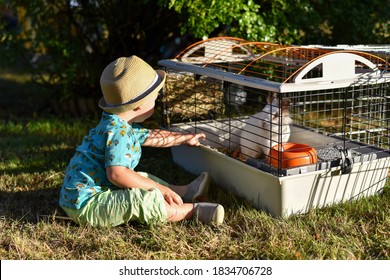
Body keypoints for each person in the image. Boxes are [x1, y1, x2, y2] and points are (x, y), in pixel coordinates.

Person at [59, 55, 225, 227]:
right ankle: (191, 211)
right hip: (88, 205)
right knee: (138, 201)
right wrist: (159, 189)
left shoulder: (117, 123)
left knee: (142, 178)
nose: (157, 101)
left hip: (85, 195)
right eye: (154, 98)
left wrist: (183, 138)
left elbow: (152, 137)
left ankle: (184, 192)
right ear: (139, 105)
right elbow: (117, 174)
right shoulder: (118, 133)